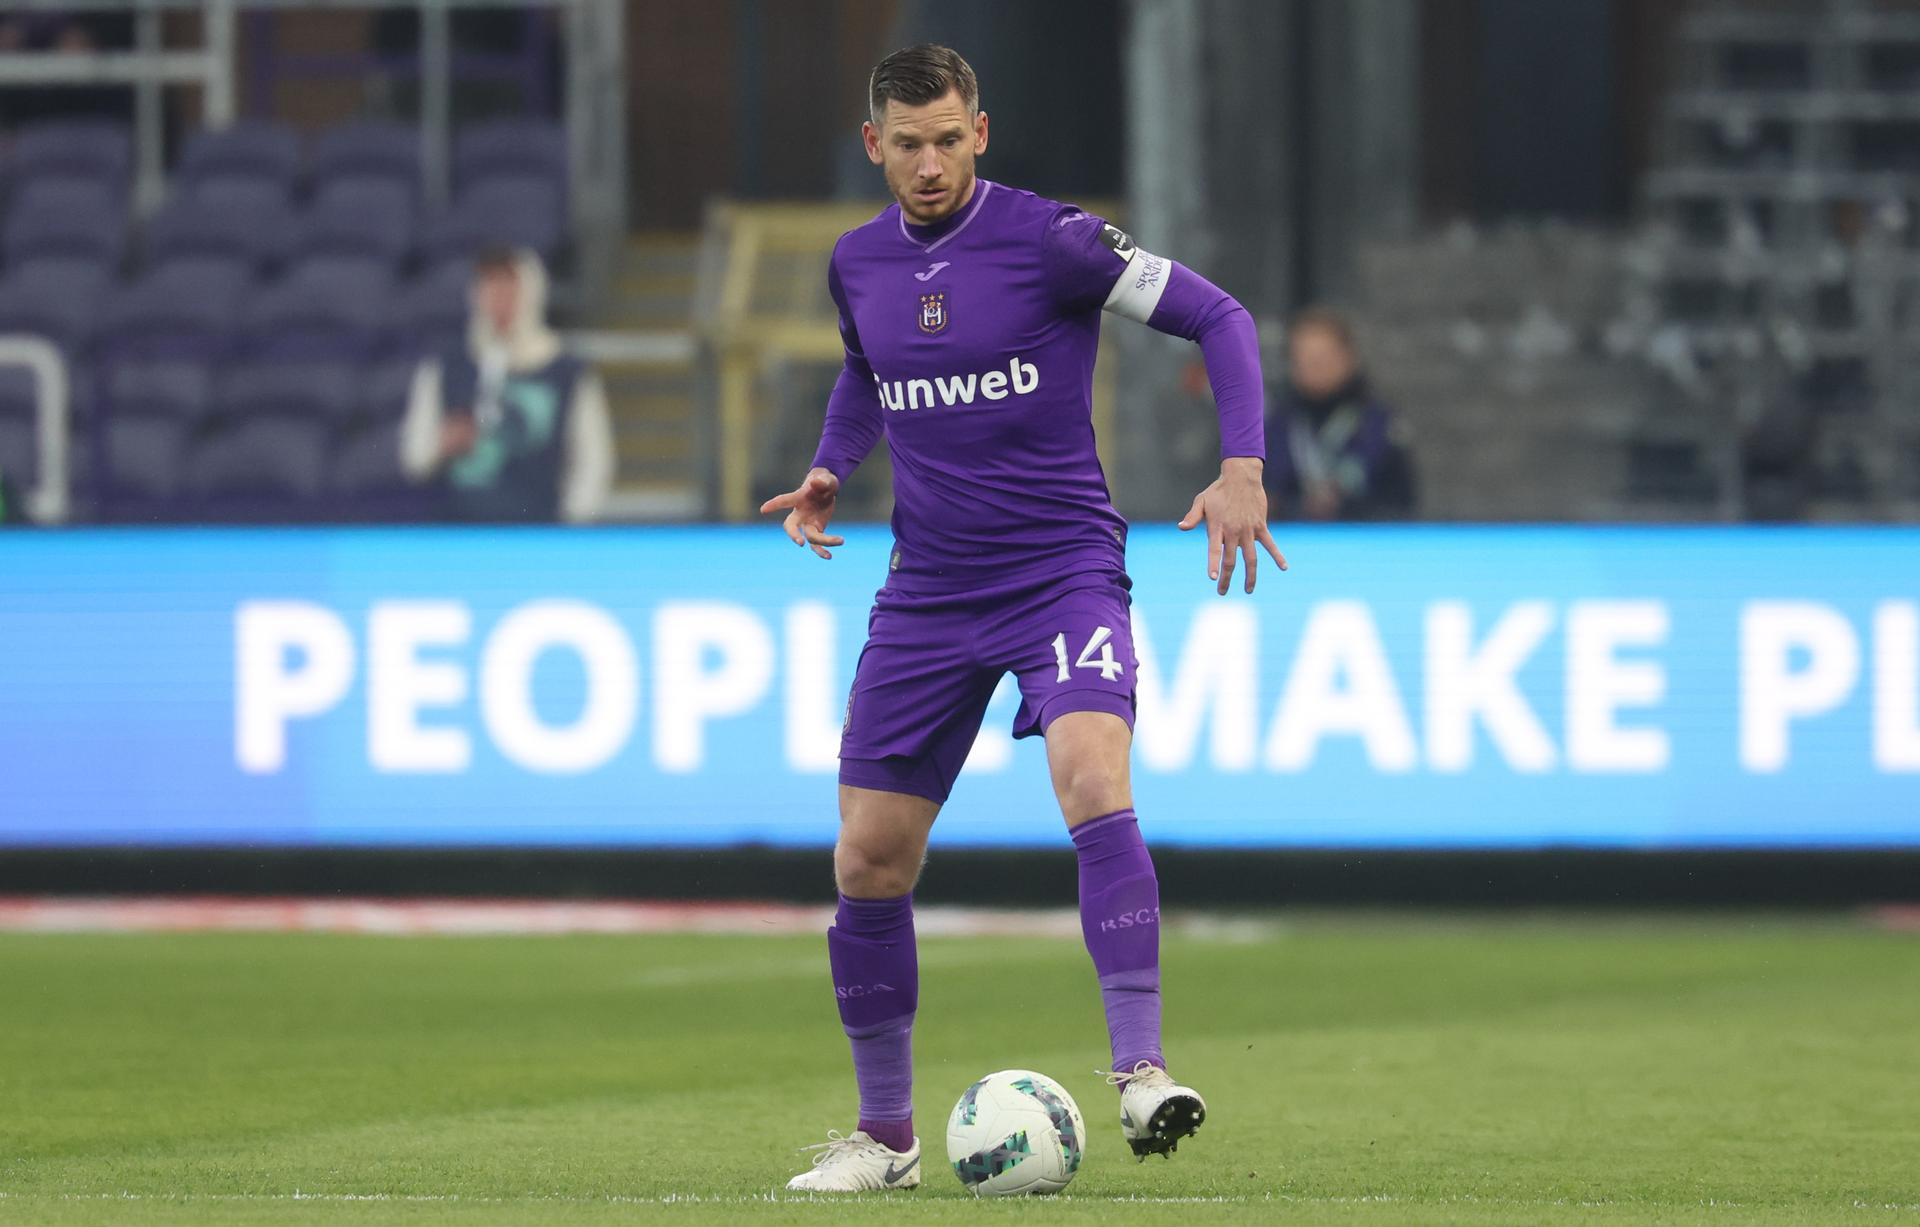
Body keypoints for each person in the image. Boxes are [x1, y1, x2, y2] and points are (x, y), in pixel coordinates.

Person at [760, 45, 1286, 1193]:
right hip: (929, 590)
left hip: (1060, 573)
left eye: (949, 138)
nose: (931, 161)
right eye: (909, 144)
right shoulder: (857, 263)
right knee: (869, 858)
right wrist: (829, 467)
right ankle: (887, 1140)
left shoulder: (1055, 240)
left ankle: (1142, 1070)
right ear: (875, 148)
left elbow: (1223, 318)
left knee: (1094, 776)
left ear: (981, 132)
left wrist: (1241, 465)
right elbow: (868, 370)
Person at [400, 246, 613, 523]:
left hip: (534, 537)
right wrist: (443, 443)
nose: (500, 301)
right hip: (460, 536)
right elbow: (414, 458)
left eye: (509, 289)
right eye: (491, 288)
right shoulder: (445, 366)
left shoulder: (567, 372)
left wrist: (568, 525)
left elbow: (594, 460)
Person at [1265, 308, 1414, 521]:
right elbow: (1270, 488)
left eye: (1324, 357)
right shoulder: (1279, 424)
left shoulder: (1378, 422)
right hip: (1293, 540)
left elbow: (1399, 497)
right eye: (1305, 358)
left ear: (1349, 357)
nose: (1315, 367)